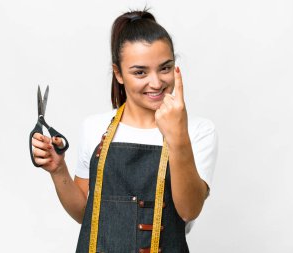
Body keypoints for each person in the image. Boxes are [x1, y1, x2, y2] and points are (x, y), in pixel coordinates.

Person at [31, 9, 218, 252]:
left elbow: (190, 210)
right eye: (140, 72)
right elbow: (84, 215)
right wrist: (58, 170)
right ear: (118, 74)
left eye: (165, 68)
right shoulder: (94, 127)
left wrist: (178, 135)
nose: (156, 82)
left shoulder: (198, 130)